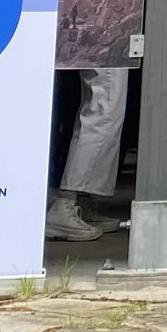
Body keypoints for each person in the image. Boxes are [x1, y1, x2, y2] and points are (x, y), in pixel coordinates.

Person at [46, 66, 128, 243]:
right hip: (106, 42)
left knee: (100, 109)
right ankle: (65, 203)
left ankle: (79, 200)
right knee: (104, 112)